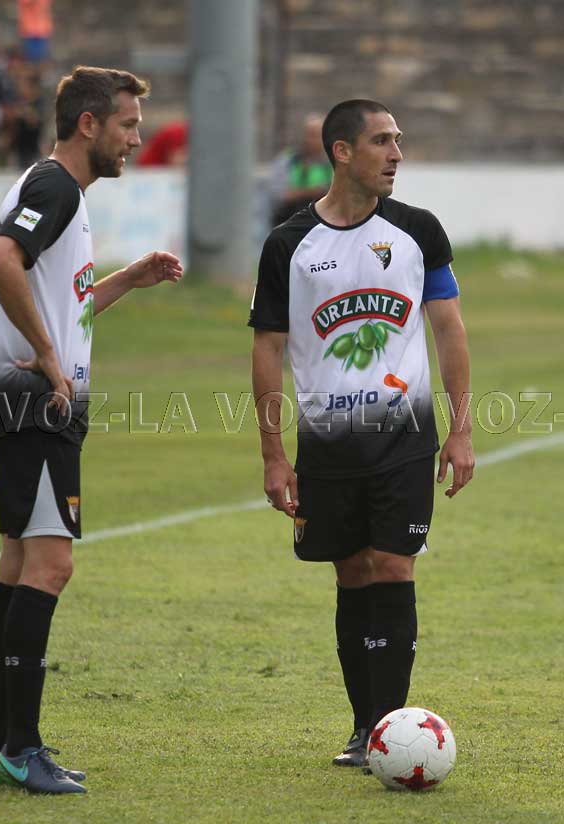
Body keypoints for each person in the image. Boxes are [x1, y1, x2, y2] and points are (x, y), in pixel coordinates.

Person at [249, 99, 474, 770]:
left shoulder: (418, 231)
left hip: (406, 438)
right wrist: (273, 454)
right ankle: (363, 727)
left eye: (398, 140)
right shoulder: (288, 244)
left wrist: (460, 431)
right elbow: (267, 348)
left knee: (394, 565)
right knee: (351, 571)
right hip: (327, 445)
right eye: (381, 141)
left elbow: (448, 329)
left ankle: (389, 729)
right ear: (342, 152)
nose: (396, 154)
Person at [0, 66, 183, 795]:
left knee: (17, 566)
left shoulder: (58, 191)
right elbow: (0, 260)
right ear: (88, 124)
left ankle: (2, 746)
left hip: (30, 406)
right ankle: (20, 749)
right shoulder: (57, 187)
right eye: (127, 125)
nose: (136, 139)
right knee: (50, 567)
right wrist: (48, 359)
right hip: (39, 408)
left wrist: (126, 280)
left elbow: (57, 298)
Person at [268, 113, 333, 226]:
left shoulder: (334, 163)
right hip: (291, 222)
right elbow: (278, 195)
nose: (311, 140)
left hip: (325, 223)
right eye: (309, 134)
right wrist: (311, 192)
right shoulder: (288, 160)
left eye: (316, 135)